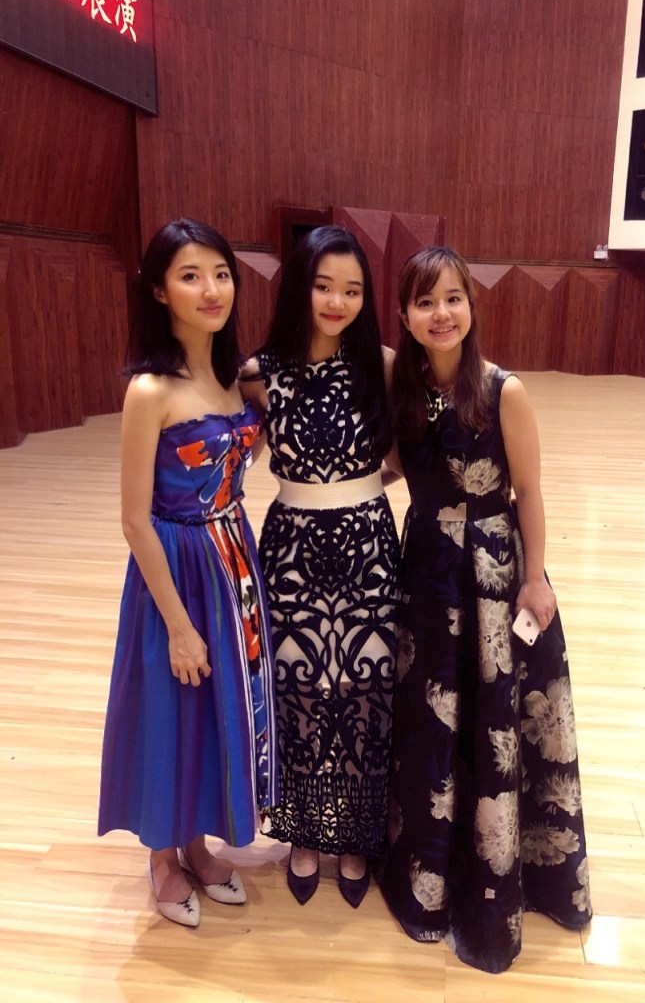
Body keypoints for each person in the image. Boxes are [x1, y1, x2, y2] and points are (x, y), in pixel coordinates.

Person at [378, 246, 592, 973]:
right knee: (435, 717)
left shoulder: (505, 390)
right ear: (405, 316)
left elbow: (529, 492)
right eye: (425, 302)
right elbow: (400, 466)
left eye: (453, 298)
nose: (441, 313)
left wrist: (536, 579)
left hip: (495, 574)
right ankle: (430, 868)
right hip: (426, 573)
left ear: (471, 305)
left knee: (496, 718)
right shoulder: (404, 391)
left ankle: (504, 874)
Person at [98, 218, 278, 927]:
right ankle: (162, 858)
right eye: (190, 276)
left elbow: (232, 463)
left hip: (234, 555)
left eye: (221, 274)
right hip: (175, 566)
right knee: (172, 705)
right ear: (159, 290)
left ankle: (199, 844)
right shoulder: (150, 390)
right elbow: (134, 519)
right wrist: (176, 625)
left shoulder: (236, 377)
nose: (211, 290)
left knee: (216, 705)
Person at [240, 225, 399, 909]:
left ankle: (357, 837)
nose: (337, 302)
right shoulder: (259, 373)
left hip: (368, 545)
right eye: (323, 286)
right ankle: (304, 833)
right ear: (299, 288)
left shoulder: (383, 365)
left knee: (367, 687)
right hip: (291, 549)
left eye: (352, 290)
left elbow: (409, 456)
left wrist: (358, 489)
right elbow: (232, 452)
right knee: (298, 686)